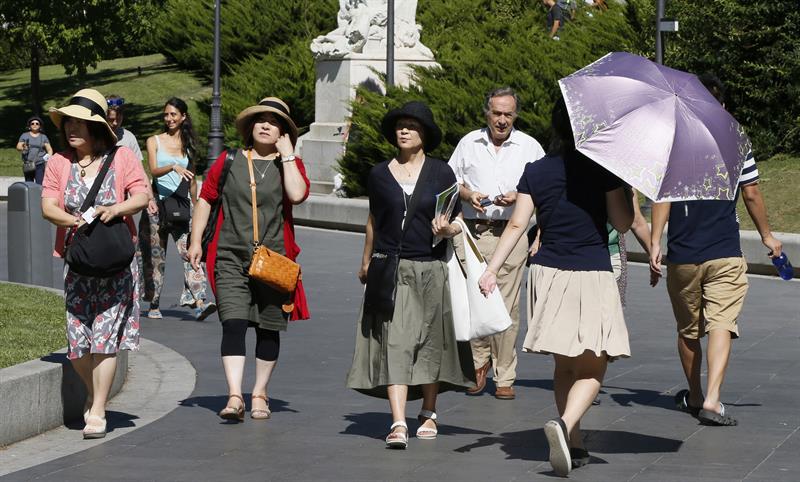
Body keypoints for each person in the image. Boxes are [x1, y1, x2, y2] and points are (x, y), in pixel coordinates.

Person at [478, 97, 633, 476]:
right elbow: (624, 223)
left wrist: (490, 270)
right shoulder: (604, 170)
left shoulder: (535, 170)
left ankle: (574, 444)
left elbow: (517, 225)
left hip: (547, 273)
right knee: (595, 364)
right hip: (591, 272)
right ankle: (564, 426)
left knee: (564, 365)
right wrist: (624, 184)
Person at [649, 74, 783, 427]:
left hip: (682, 254)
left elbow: (663, 196)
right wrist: (767, 237)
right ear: (720, 107)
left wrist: (654, 242)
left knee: (689, 330)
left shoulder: (673, 144)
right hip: (724, 250)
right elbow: (751, 193)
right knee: (722, 322)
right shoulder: (736, 142)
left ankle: (693, 394)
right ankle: (712, 400)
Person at [346, 101, 476, 449]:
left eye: (412, 126)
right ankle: (399, 421)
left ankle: (429, 411)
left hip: (431, 268)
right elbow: (374, 220)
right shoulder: (378, 174)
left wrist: (447, 229)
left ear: (425, 135)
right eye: (400, 126)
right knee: (397, 342)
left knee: (431, 342)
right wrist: (365, 261)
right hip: (392, 268)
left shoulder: (441, 173)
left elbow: (455, 218)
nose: (404, 131)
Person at [188, 97, 311, 422]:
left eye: (275, 121)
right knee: (234, 322)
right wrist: (196, 239)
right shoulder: (228, 161)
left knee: (268, 328)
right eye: (261, 119)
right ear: (250, 126)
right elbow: (206, 199)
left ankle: (259, 393)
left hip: (274, 259)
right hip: (230, 255)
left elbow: (297, 195)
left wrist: (288, 156)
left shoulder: (289, 165)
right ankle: (234, 396)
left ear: (284, 131)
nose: (266, 124)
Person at [41, 88, 149, 439]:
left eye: (81, 123)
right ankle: (92, 391)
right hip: (78, 263)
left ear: (98, 128)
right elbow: (48, 206)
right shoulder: (58, 162)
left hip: (116, 264)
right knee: (76, 346)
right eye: (69, 122)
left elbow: (141, 195)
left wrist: (114, 209)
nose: (73, 128)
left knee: (104, 339)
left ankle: (98, 409)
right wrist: (73, 222)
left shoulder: (121, 159)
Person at [448, 87, 546, 400]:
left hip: (512, 233)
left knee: (507, 305)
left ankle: (505, 373)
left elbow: (547, 191)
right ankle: (478, 365)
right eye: (496, 113)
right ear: (486, 113)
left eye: (508, 114)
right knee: (476, 298)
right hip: (473, 232)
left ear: (516, 115)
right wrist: (468, 194)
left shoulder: (529, 147)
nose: (502, 120)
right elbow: (451, 182)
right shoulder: (468, 143)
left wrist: (521, 196)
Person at [140, 98, 215, 321]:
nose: (169, 119)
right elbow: (153, 170)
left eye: (174, 115)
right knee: (155, 256)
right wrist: (173, 166)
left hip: (183, 206)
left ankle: (199, 301)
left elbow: (191, 179)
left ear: (183, 117)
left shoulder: (189, 145)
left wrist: (196, 204)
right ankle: (153, 302)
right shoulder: (154, 141)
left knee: (192, 251)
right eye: (166, 115)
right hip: (158, 207)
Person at [17, 115, 53, 184]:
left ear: (40, 126)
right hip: (28, 164)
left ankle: (38, 195)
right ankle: (30, 195)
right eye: (32, 123)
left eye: (37, 123)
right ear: (29, 126)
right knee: (29, 183)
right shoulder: (24, 135)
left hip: (40, 163)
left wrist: (47, 158)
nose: (35, 125)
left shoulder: (43, 137)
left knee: (39, 183)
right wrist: (23, 147)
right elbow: (18, 147)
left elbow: (49, 149)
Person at [106, 95, 143, 161]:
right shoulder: (94, 137)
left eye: (118, 119)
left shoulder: (129, 137)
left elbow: (138, 166)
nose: (115, 123)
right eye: (111, 119)